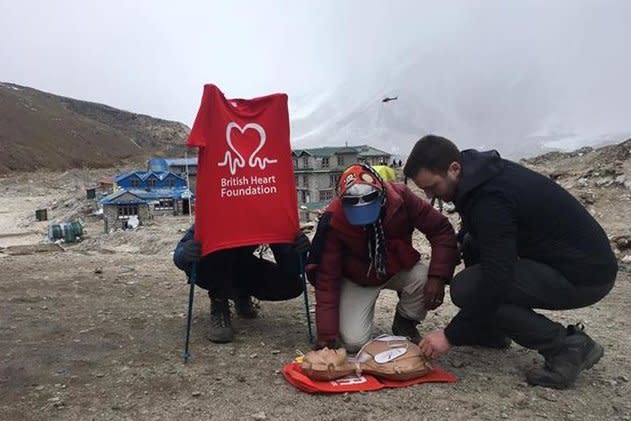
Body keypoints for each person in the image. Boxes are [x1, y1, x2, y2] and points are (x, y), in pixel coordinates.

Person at [403, 135, 618, 389]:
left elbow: (497, 279)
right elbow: (483, 230)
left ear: (454, 168)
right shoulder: (478, 177)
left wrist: (449, 336)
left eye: (433, 187)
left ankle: (566, 346)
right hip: (574, 263)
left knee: (468, 289)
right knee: (473, 245)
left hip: (586, 276)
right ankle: (489, 330)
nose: (429, 195)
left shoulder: (491, 197)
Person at [307, 163, 458, 351]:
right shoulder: (334, 219)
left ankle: (405, 322)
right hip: (357, 279)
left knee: (424, 277)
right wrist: (327, 335)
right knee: (354, 343)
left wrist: (438, 277)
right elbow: (326, 277)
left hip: (395, 267)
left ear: (381, 196)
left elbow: (441, 229)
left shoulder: (401, 197)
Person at [174, 225, 310, 343]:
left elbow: (292, 267)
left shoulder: (267, 216)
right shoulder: (216, 214)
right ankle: (219, 305)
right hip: (212, 268)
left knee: (292, 285)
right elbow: (179, 255)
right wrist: (186, 253)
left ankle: (240, 293)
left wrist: (298, 251)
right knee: (220, 256)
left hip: (242, 266)